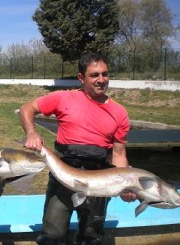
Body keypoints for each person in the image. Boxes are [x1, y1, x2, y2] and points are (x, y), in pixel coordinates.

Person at [20, 53, 137, 245]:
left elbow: (118, 154)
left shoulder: (120, 112)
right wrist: (32, 133)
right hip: (64, 177)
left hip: (100, 179)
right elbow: (27, 108)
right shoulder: (62, 98)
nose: (101, 80)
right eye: (94, 75)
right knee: (52, 237)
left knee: (92, 238)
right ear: (81, 78)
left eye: (105, 74)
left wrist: (127, 184)